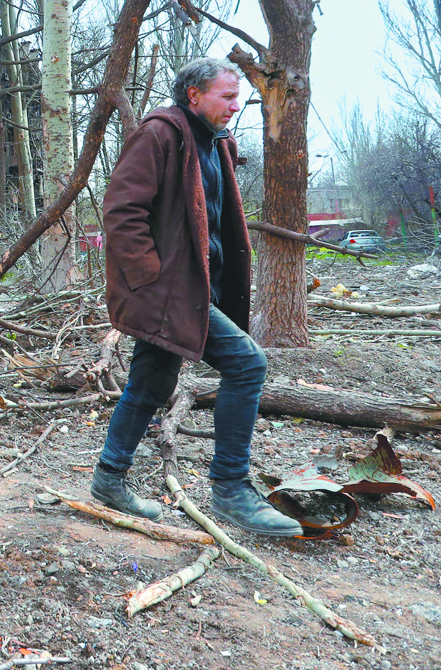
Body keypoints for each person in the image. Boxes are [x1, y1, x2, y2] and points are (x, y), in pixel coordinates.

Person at [90, 56, 300, 537]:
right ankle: (230, 489)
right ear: (194, 95)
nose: (237, 104)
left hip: (194, 289)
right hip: (169, 291)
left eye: (238, 96)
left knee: (150, 383)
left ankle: (108, 478)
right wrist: (151, 278)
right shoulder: (159, 134)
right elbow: (121, 212)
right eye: (227, 96)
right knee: (247, 364)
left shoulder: (213, 143)